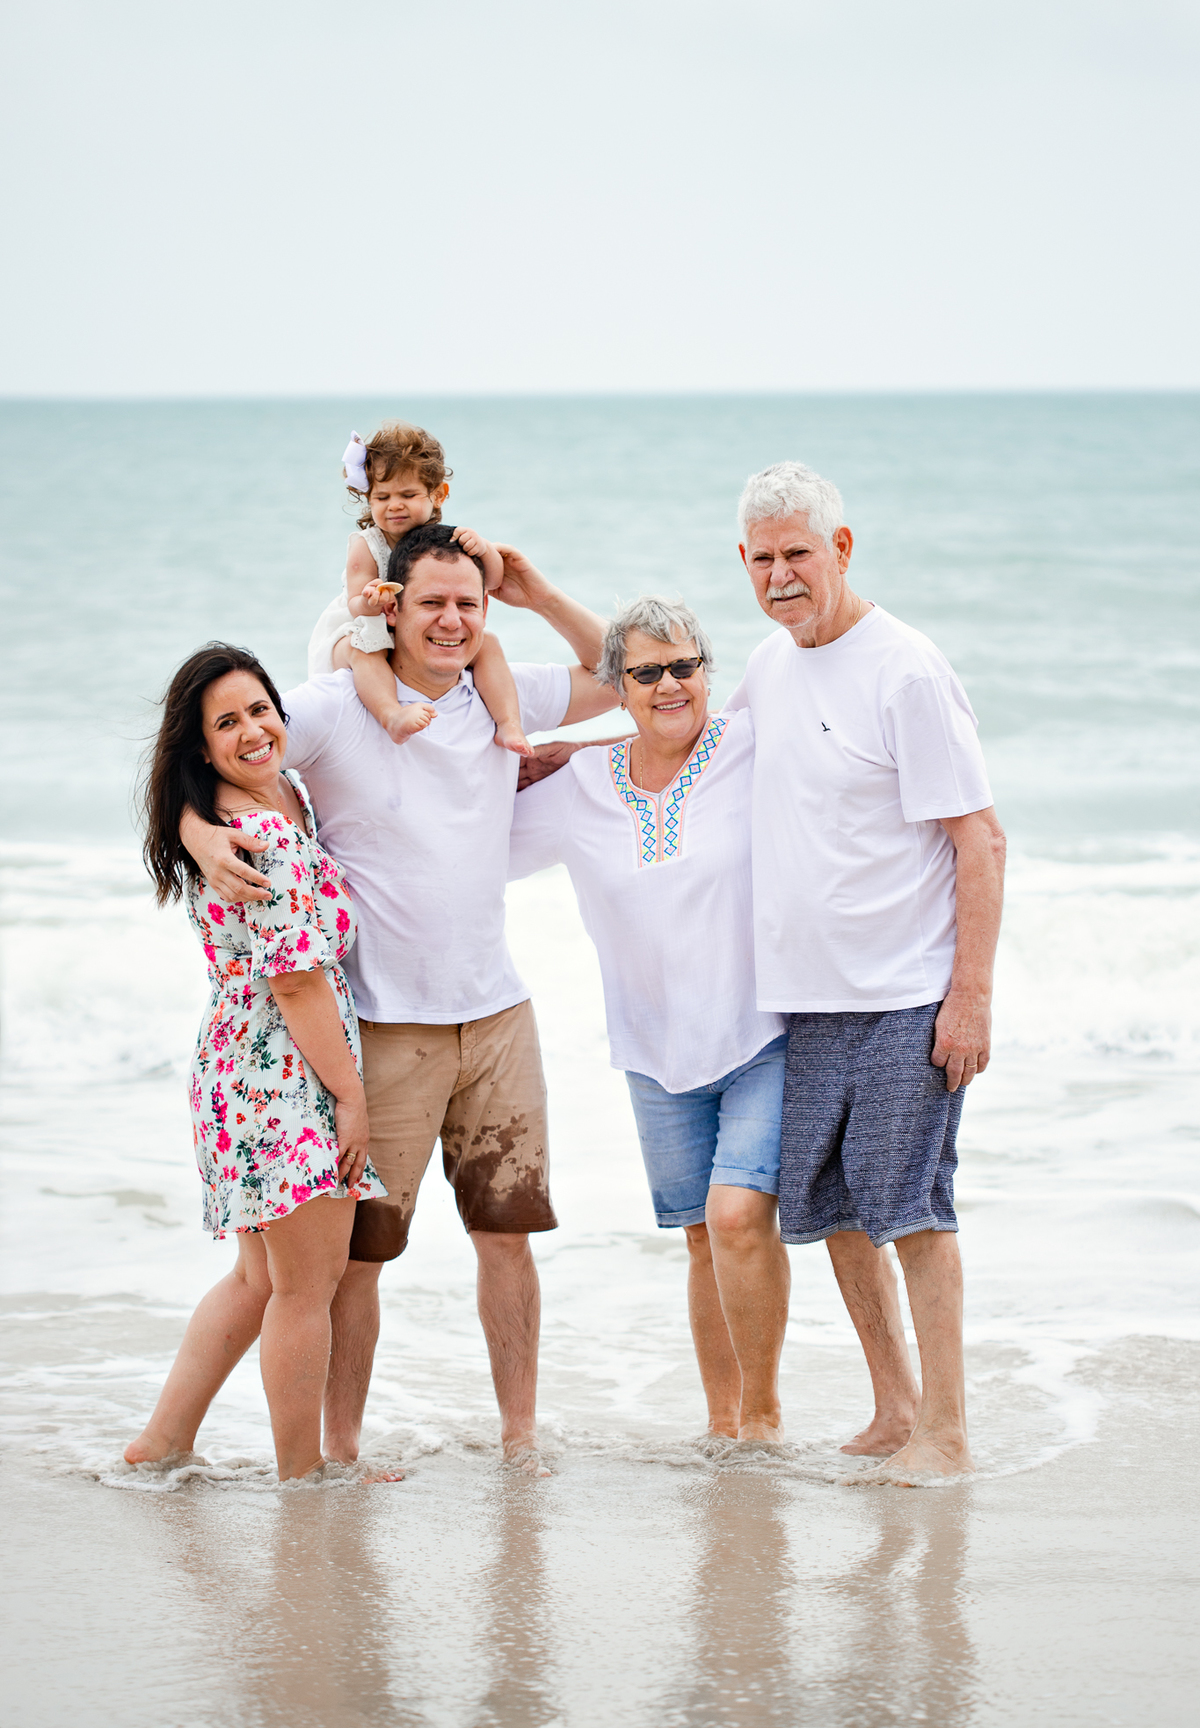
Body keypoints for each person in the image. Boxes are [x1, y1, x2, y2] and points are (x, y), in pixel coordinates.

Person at [183, 524, 615, 1471]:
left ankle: (520, 1439)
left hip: (497, 1013)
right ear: (391, 607)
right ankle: (339, 1450)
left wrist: (538, 590)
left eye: (468, 604)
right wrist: (195, 829)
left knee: (508, 1239)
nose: (452, 621)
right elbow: (230, 755)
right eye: (431, 603)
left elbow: (622, 675)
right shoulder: (337, 708)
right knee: (358, 1260)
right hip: (383, 1028)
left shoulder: (500, 694)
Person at [729, 461, 1006, 1485]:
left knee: (912, 1209)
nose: (782, 576)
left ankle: (949, 1431)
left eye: (799, 554)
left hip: (906, 995)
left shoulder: (906, 670)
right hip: (809, 1001)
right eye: (763, 559)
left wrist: (969, 997)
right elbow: (690, 745)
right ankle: (895, 1409)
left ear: (841, 549)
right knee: (836, 1211)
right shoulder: (768, 665)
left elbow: (981, 841)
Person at [509, 598, 792, 1443]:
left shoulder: (752, 745)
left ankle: (763, 1416)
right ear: (619, 687)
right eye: (646, 673)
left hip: (761, 1034)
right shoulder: (580, 786)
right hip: (652, 1050)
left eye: (684, 667)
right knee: (702, 1237)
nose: (670, 685)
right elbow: (468, 843)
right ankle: (723, 1426)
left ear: (707, 670)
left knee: (738, 1217)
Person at [124, 643, 388, 1482]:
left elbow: (347, 639)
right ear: (202, 748)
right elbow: (297, 980)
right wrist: (350, 1097)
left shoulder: (278, 797)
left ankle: (161, 1442)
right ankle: (301, 1478)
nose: (252, 731)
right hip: (284, 1073)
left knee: (257, 1279)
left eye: (260, 710)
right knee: (304, 1288)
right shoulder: (262, 832)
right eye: (226, 723)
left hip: (239, 1067)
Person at [308, 420, 530, 752]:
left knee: (490, 644)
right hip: (362, 624)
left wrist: (484, 549)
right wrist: (371, 600)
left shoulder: (444, 540)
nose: (394, 505)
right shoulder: (366, 545)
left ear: (438, 494)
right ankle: (391, 715)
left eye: (408, 495)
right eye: (382, 497)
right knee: (367, 651)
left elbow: (494, 580)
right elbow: (354, 602)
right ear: (368, 498)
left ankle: (509, 724)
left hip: (409, 628)